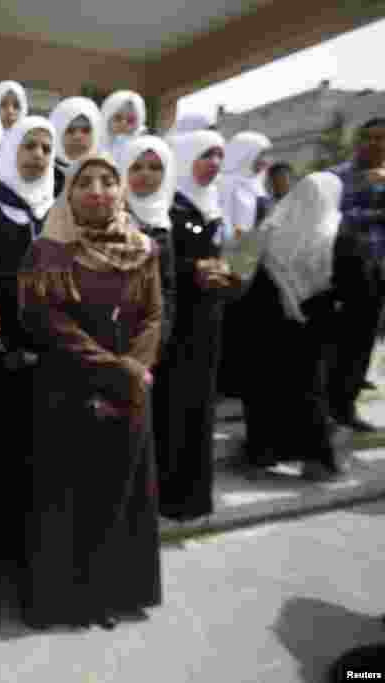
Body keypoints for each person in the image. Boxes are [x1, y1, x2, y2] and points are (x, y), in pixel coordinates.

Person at [17, 152, 163, 632]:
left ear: (121, 191)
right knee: (66, 500)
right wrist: (113, 370)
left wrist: (135, 370)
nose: (98, 190)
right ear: (69, 193)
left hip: (128, 392)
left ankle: (111, 594)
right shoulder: (49, 250)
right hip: (66, 389)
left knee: (116, 496)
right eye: (85, 183)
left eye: (107, 181)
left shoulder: (142, 249)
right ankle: (63, 602)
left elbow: (154, 317)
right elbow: (44, 320)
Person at [0, 116, 56, 566]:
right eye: (29, 146)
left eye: (45, 147)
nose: (38, 155)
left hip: (50, 354)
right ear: (11, 150)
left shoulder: (57, 206)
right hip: (0, 350)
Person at [240, 173, 348, 479]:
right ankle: (315, 459)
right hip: (314, 323)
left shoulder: (272, 224)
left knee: (266, 387)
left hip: (265, 323)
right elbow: (350, 285)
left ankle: (263, 451)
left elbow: (248, 269)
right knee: (308, 388)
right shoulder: (335, 233)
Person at [156, 130, 240, 522]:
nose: (214, 164)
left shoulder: (213, 207)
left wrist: (224, 273)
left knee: (198, 410)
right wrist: (194, 272)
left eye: (219, 157)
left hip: (208, 324)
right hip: (178, 327)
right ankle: (168, 496)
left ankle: (193, 497)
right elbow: (159, 267)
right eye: (206, 156)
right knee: (173, 408)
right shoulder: (168, 206)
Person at [327, 117, 385, 432]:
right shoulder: (339, 177)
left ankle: (346, 406)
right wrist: (376, 211)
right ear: (358, 141)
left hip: (377, 271)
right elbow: (332, 218)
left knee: (363, 345)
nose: (376, 144)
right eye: (370, 138)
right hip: (344, 272)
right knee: (339, 342)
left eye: (382, 139)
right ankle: (326, 408)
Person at [217, 131, 273, 399]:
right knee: (232, 321)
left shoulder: (256, 184)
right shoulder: (228, 184)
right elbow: (230, 227)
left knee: (246, 323)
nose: (265, 162)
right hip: (236, 259)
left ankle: (238, 379)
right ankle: (226, 382)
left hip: (255, 258)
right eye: (261, 156)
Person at [116, 135, 179, 353]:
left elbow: (167, 286)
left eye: (155, 167)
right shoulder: (108, 216)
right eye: (136, 167)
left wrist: (161, 334)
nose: (146, 174)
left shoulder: (163, 222)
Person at [49, 96, 103, 197]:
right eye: (70, 130)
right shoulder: (42, 175)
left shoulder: (107, 177)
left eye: (86, 130)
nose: (78, 137)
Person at [100, 90, 148, 160]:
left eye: (130, 120)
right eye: (118, 118)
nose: (123, 124)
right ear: (107, 117)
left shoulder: (142, 148)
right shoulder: (95, 144)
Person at [255, 161, 295, 227]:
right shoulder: (264, 205)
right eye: (281, 178)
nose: (286, 182)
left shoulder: (300, 201)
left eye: (289, 178)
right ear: (272, 181)